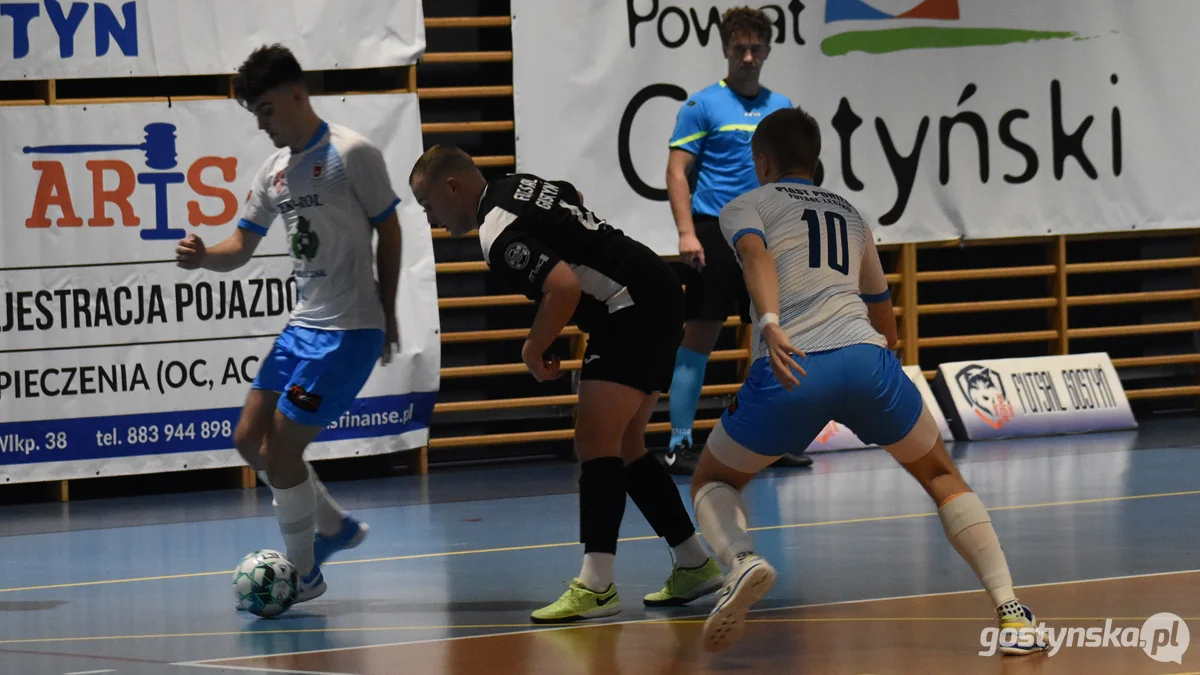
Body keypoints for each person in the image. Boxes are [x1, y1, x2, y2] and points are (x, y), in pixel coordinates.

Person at [687, 108, 1049, 655]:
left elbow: (757, 254)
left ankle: (741, 559)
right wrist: (871, 366)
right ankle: (1011, 610)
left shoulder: (746, 203)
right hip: (867, 360)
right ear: (818, 162)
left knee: (712, 481)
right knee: (940, 474)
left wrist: (770, 322)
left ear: (762, 162)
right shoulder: (851, 213)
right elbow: (884, 316)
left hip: (795, 365)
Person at [408, 145, 724, 623]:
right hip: (652, 288)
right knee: (626, 446)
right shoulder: (516, 183)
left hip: (629, 307)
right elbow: (569, 197)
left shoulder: (496, 229)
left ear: (452, 186)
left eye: (427, 205)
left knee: (594, 443)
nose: (431, 219)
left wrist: (534, 347)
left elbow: (565, 287)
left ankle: (597, 584)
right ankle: (694, 562)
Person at [176, 44, 402, 605]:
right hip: (302, 328)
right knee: (249, 440)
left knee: (281, 452)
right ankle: (333, 527)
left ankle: (304, 575)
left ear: (298, 94)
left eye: (267, 110)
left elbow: (390, 231)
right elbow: (240, 247)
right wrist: (206, 255)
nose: (262, 123)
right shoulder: (274, 171)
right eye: (255, 114)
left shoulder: (353, 153)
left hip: (349, 329)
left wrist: (390, 310)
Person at [664, 7, 809, 473]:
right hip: (716, 230)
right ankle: (680, 441)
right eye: (739, 48)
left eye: (755, 48)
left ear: (767, 50)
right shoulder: (702, 105)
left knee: (772, 335)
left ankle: (767, 436)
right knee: (699, 336)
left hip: (766, 235)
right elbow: (676, 171)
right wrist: (687, 232)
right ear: (726, 50)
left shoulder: (780, 107)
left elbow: (793, 176)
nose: (748, 56)